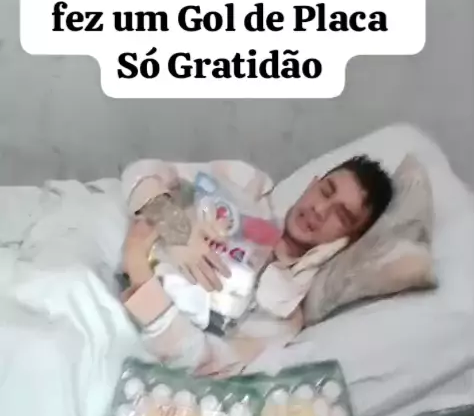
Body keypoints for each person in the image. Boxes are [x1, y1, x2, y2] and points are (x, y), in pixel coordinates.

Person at [120, 155, 393, 377]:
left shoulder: (282, 312)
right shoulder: (249, 186)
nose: (320, 210)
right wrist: (173, 224)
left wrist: (140, 274)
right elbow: (141, 171)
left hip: (127, 324)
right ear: (312, 184)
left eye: (341, 216)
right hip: (108, 241)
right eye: (325, 192)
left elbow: (201, 363)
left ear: (347, 241)